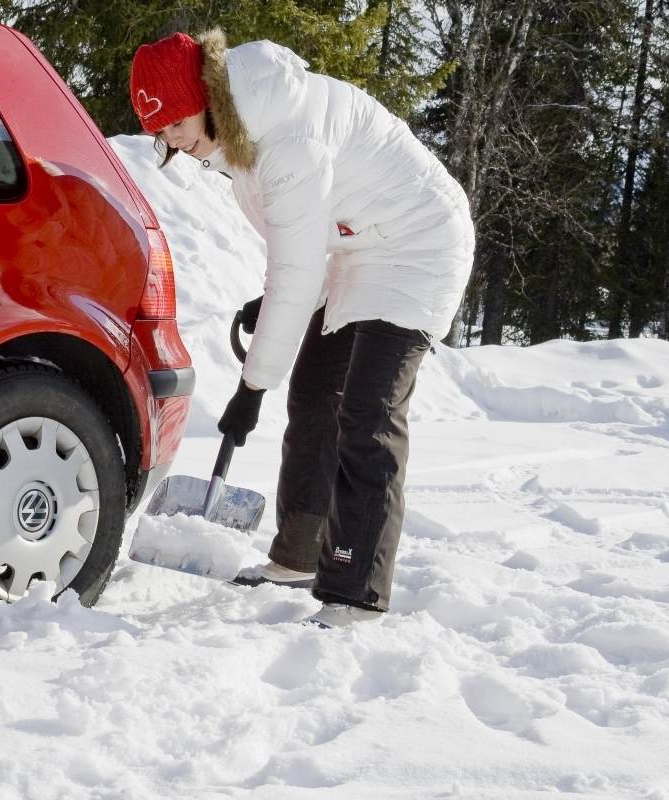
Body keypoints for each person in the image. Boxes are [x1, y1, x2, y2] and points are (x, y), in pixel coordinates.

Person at [130, 30, 474, 628]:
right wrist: (276, 304)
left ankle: (355, 590)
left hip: (420, 246)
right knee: (315, 394)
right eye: (159, 133)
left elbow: (295, 262)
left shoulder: (286, 138)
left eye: (175, 123)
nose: (172, 141)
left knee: (368, 412)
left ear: (206, 97)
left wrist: (250, 387)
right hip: (357, 249)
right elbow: (302, 253)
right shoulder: (242, 137)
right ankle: (299, 555)